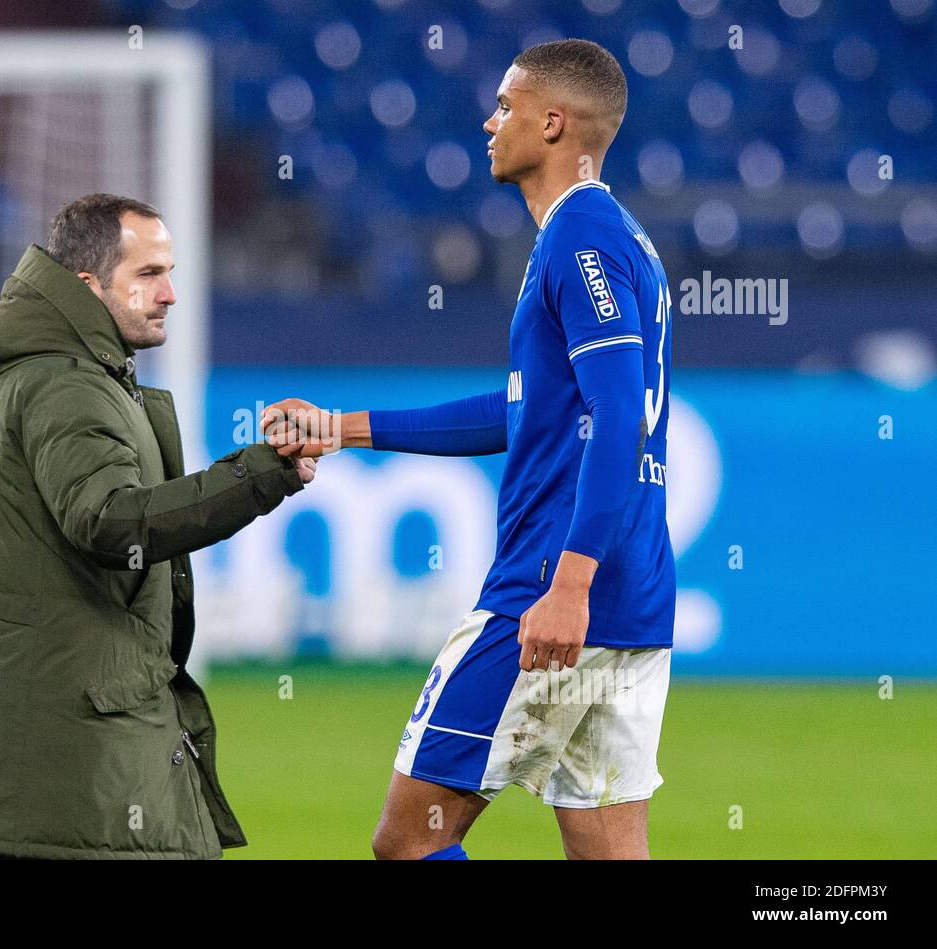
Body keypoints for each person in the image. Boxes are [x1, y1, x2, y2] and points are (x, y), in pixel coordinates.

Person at [263, 39, 674, 860]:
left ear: (553, 122)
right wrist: (342, 427)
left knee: (409, 840)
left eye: (507, 107)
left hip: (552, 592)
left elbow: (619, 410)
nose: (490, 122)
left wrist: (569, 580)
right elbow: (526, 411)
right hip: (633, 598)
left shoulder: (580, 234)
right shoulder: (609, 233)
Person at [0, 193, 315, 859]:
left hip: (59, 757)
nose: (169, 293)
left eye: (169, 272)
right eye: (147, 275)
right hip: (67, 763)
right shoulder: (65, 381)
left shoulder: (70, 371)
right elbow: (109, 521)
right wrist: (258, 474)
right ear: (87, 285)